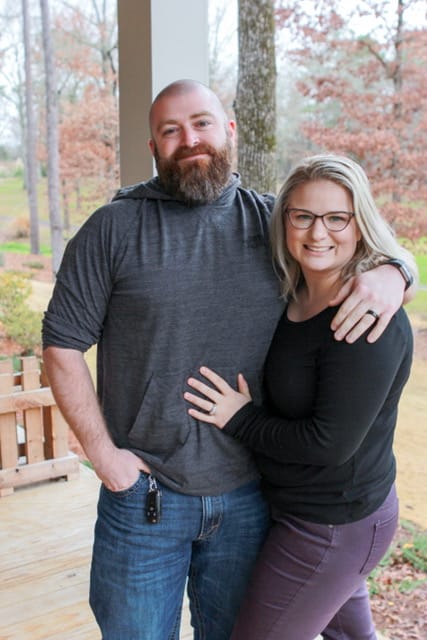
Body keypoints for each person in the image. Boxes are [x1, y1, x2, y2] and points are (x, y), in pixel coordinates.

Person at [41, 81, 414, 640]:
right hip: (145, 500)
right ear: (154, 146)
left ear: (230, 131)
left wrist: (397, 271)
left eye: (202, 123)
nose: (189, 139)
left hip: (250, 497)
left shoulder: (272, 224)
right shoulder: (112, 230)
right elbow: (61, 345)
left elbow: (342, 234)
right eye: (171, 130)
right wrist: (103, 456)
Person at [184, 154, 416, 640]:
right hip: (304, 510)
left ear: (360, 225)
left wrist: (240, 418)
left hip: (334, 525)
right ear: (284, 218)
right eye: (304, 216)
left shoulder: (366, 316)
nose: (318, 233)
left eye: (337, 218)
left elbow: (328, 444)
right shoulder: (294, 291)